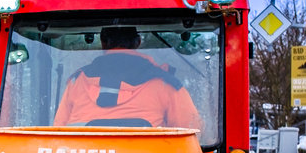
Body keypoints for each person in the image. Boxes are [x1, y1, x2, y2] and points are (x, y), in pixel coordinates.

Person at [52, 27, 201, 130]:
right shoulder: (166, 84)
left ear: (103, 43)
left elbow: (57, 132)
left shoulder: (76, 82)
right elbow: (193, 136)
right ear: (137, 43)